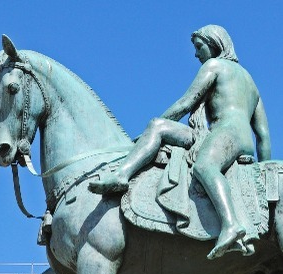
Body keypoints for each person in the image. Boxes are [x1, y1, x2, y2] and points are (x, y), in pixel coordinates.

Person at [89, 24, 271, 259]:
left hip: (226, 134)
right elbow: (263, 135)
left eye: (199, 47)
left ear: (214, 44)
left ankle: (231, 225)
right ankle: (123, 174)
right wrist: (263, 170)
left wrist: (155, 126)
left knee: (204, 165)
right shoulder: (250, 82)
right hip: (237, 137)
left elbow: (187, 102)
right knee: (158, 126)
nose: (196, 54)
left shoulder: (214, 66)